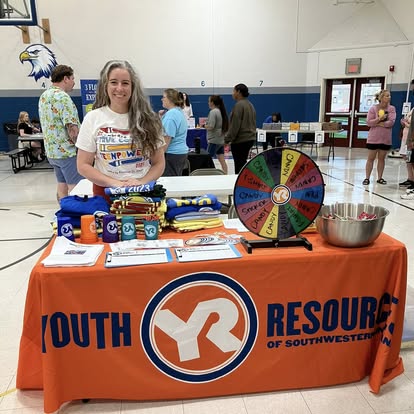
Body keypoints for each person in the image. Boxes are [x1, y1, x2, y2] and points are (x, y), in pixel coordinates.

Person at [76, 60, 165, 200]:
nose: (119, 88)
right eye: (113, 82)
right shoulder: (93, 118)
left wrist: (141, 182)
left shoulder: (149, 119)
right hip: (105, 193)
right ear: (105, 85)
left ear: (133, 86)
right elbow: (83, 165)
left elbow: (159, 163)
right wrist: (115, 183)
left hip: (143, 192)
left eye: (125, 83)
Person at [38, 64, 83, 202]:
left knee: (61, 185)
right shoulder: (63, 98)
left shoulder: (44, 96)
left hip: (52, 152)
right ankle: (75, 212)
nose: (74, 82)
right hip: (67, 152)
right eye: (72, 78)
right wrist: (81, 148)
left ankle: (63, 211)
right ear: (65, 78)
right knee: (76, 188)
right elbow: (72, 128)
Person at [362, 89, 396, 185]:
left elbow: (391, 122)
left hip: (385, 138)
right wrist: (379, 119)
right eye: (387, 96)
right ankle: (367, 178)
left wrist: (381, 124)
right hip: (374, 138)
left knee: (381, 159)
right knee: (371, 158)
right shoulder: (373, 109)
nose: (389, 97)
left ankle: (380, 178)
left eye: (389, 95)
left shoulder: (391, 109)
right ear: (381, 98)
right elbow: (369, 122)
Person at [225, 83, 256, 174]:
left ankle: (240, 182)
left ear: (238, 92)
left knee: (239, 166)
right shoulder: (250, 105)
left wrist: (227, 140)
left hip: (240, 141)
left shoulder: (239, 105)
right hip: (250, 139)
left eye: (233, 91)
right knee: (243, 164)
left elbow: (235, 126)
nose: (232, 93)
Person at [160, 88, 188, 176]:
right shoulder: (178, 112)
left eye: (163, 97)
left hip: (171, 154)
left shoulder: (171, 115)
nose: (162, 99)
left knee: (169, 181)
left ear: (170, 99)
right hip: (179, 153)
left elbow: (167, 138)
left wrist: (158, 157)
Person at [205, 95, 229, 174]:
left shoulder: (213, 112)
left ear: (212, 102)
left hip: (214, 140)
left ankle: (210, 174)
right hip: (220, 139)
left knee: (207, 159)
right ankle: (225, 174)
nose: (208, 103)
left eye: (209, 101)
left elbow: (211, 126)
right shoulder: (220, 111)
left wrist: (204, 126)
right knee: (221, 159)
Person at [399, 108, 414, 188]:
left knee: (411, 159)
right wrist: (404, 122)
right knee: (407, 158)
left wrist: (407, 123)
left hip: (411, 137)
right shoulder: (412, 109)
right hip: (406, 137)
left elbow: (412, 124)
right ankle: (410, 178)